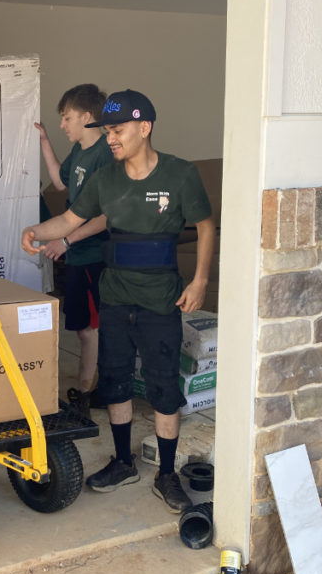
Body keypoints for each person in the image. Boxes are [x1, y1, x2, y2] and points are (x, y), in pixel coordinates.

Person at [21, 90, 215, 514]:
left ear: (144, 128)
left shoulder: (180, 175)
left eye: (119, 130)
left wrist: (199, 280)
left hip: (160, 299)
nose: (111, 138)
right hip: (114, 297)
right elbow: (71, 220)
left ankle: (166, 474)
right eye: (107, 131)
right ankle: (124, 462)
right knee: (116, 382)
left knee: (164, 388)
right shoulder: (104, 180)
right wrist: (37, 231)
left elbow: (205, 225)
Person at [34, 84, 112, 416]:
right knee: (83, 327)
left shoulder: (107, 153)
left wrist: (65, 240)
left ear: (87, 116)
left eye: (66, 118)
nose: (64, 124)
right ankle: (89, 390)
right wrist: (45, 142)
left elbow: (107, 217)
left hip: (96, 254)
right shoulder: (80, 150)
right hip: (78, 252)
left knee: (91, 329)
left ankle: (87, 394)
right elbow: (61, 182)